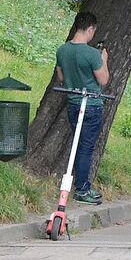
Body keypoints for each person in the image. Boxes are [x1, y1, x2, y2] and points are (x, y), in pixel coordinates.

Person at [54, 11, 110, 205]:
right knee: (86, 147)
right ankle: (82, 188)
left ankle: (79, 185)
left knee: (79, 145)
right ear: (90, 29)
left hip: (73, 102)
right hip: (91, 104)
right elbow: (103, 80)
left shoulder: (62, 50)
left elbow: (61, 77)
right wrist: (104, 60)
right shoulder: (93, 54)